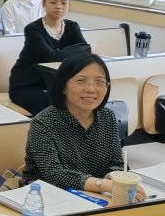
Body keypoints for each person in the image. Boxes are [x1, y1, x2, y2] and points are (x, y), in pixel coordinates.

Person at [23, 54, 146, 200]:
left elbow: (117, 163)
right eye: (81, 81)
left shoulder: (107, 117)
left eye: (99, 82)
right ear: (63, 86)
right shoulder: (43, 122)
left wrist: (113, 178)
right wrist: (102, 184)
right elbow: (54, 174)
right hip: (44, 196)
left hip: (95, 195)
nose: (91, 89)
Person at [8, 0, 90, 115]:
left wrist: (60, 53)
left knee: (82, 102)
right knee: (57, 108)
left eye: (64, 3)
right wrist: (73, 50)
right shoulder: (33, 29)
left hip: (55, 85)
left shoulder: (72, 26)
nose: (59, 6)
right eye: (53, 2)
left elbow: (86, 49)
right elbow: (52, 57)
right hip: (26, 85)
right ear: (44, 3)